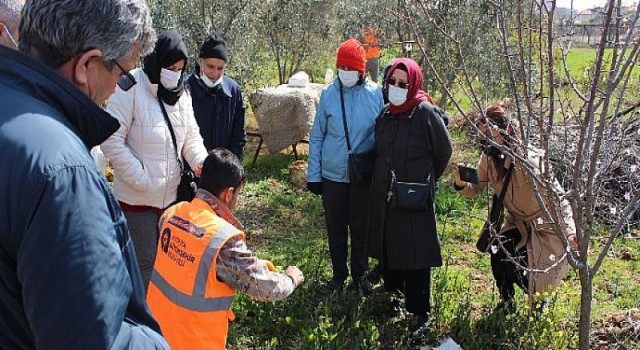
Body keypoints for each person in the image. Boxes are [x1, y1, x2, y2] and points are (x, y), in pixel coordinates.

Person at [0, 0, 170, 348]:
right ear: (86, 66)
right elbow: (93, 339)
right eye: (122, 76)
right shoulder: (63, 173)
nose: (116, 89)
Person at [147, 148, 304, 350]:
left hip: (156, 333)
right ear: (229, 193)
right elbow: (265, 288)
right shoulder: (222, 239)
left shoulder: (173, 213)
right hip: (194, 340)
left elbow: (193, 266)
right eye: (238, 193)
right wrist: (290, 278)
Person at [102, 29, 209, 291]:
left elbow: (191, 138)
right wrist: (141, 178)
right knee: (143, 264)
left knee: (166, 263)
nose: (174, 73)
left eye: (180, 68)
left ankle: (158, 319)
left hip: (170, 199)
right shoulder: (130, 87)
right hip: (136, 200)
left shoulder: (181, 94)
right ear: (155, 61)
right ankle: (142, 324)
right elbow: (110, 140)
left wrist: (202, 162)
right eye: (170, 67)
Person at [454, 102, 577, 313]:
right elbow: (478, 185)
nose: (485, 140)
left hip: (544, 228)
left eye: (489, 133)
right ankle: (507, 303)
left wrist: (571, 233)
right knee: (499, 251)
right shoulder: (490, 157)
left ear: (506, 130)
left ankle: (539, 302)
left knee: (533, 271)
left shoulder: (530, 162)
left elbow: (559, 199)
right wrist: (461, 183)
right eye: (482, 134)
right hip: (517, 222)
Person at [367, 58, 452, 340]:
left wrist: (425, 180)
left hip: (414, 197)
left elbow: (444, 152)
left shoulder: (425, 113)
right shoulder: (387, 114)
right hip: (387, 197)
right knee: (391, 244)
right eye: (392, 81)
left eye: (403, 83)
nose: (397, 87)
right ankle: (394, 294)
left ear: (413, 84)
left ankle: (420, 311)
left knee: (416, 253)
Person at [307, 38, 384, 294]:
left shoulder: (375, 95)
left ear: (362, 70)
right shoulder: (329, 94)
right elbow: (317, 135)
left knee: (360, 228)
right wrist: (314, 174)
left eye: (351, 69)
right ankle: (339, 276)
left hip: (362, 175)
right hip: (332, 175)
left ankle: (359, 275)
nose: (346, 73)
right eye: (342, 68)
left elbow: (381, 134)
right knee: (336, 228)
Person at [187, 33, 247, 160]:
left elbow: (239, 136)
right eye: (210, 66)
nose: (214, 73)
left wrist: (232, 168)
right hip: (192, 169)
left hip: (223, 170)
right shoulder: (185, 90)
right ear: (200, 61)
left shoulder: (233, 91)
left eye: (220, 68)